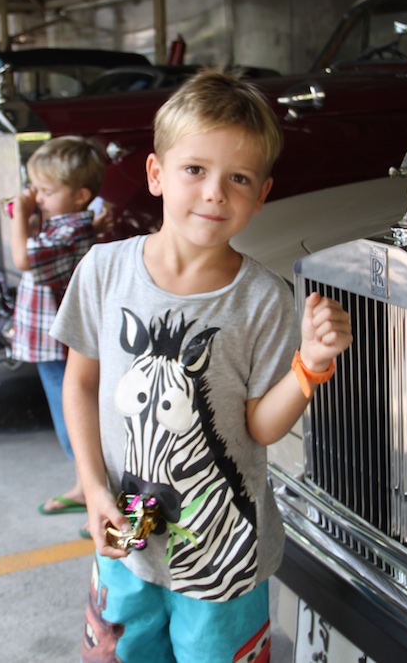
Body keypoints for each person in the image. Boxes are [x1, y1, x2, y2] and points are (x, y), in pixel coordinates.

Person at [51, 70, 353, 662]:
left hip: (228, 558)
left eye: (238, 178)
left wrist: (310, 366)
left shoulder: (264, 300)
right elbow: (81, 383)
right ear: (156, 174)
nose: (216, 192)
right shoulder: (104, 272)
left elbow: (260, 427)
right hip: (125, 545)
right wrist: (92, 489)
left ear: (262, 194)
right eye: (195, 169)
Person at [8, 135, 105, 518]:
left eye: (47, 191)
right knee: (68, 415)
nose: (38, 198)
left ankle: (94, 491)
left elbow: (22, 258)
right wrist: (29, 211)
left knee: (73, 419)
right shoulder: (64, 222)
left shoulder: (70, 231)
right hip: (47, 341)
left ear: (80, 195)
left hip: (59, 344)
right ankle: (85, 487)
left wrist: (21, 216)